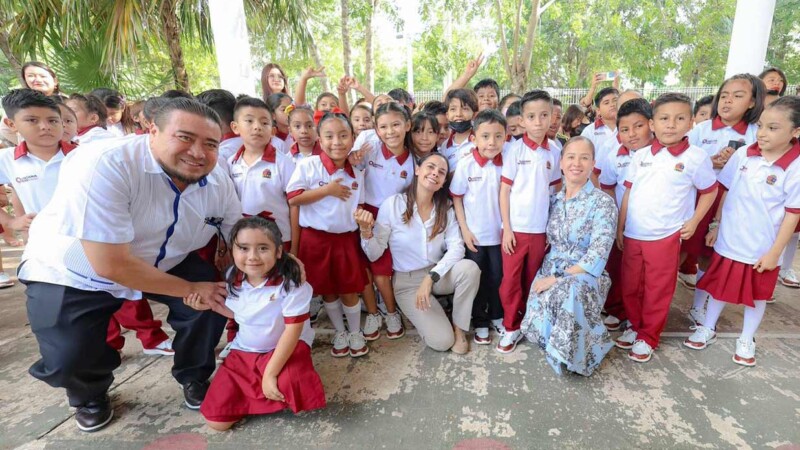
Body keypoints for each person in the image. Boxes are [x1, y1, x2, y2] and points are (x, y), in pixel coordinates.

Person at [20, 98, 243, 432]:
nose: (198, 152)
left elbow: (238, 232)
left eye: (211, 144)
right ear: (151, 130)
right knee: (68, 357)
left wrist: (274, 265)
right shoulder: (106, 163)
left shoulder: (217, 179)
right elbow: (111, 264)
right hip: (77, 270)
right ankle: (89, 394)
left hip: (167, 259)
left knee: (211, 301)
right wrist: (190, 288)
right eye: (185, 137)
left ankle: (194, 375)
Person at [684, 96, 800, 366]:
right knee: (718, 288)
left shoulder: (795, 167)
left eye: (773, 128)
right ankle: (707, 327)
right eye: (761, 126)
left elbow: (792, 215)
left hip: (762, 246)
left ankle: (747, 338)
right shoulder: (744, 154)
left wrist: (775, 253)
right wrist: (716, 224)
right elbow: (724, 189)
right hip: (729, 239)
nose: (762, 133)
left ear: (795, 132)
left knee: (757, 296)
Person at [185, 217, 325, 431]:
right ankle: (254, 395)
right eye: (243, 248)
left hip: (282, 348)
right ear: (232, 250)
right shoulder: (233, 276)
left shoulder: (291, 283)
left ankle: (260, 390)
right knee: (217, 422)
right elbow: (240, 314)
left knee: (290, 383)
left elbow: (292, 330)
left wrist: (270, 374)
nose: (252, 257)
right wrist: (210, 306)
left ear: (279, 251)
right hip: (245, 350)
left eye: (263, 248)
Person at [615, 93, 718, 363]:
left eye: (679, 118)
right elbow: (628, 193)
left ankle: (648, 336)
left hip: (665, 235)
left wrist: (694, 221)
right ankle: (634, 326)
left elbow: (710, 191)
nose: (671, 124)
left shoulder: (696, 157)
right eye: (664, 118)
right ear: (653, 123)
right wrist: (620, 227)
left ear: (691, 122)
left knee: (657, 289)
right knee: (631, 286)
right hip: (634, 233)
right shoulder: (641, 156)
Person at [357, 153, 479, 354]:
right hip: (408, 283)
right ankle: (430, 316)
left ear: (443, 182)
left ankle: (459, 328)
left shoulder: (445, 208)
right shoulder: (393, 204)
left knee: (469, 268)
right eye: (430, 167)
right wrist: (366, 232)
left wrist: (431, 277)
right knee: (442, 342)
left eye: (441, 172)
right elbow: (374, 254)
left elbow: (457, 247)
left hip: (437, 274)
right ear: (417, 170)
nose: (435, 173)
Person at [521, 136, 617, 375]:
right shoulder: (552, 200)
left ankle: (577, 356)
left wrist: (557, 279)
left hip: (585, 274)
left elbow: (598, 254)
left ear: (593, 163)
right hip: (550, 268)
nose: (577, 163)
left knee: (571, 290)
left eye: (584, 158)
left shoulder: (602, 203)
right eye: (571, 157)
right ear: (561, 163)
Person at [286, 111, 370, 358]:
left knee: (348, 289)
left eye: (343, 135)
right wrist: (327, 190)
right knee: (327, 290)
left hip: (346, 240)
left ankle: (354, 332)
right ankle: (339, 331)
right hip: (316, 240)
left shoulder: (357, 173)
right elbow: (293, 198)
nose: (337, 142)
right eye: (329, 136)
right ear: (319, 140)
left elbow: (360, 204)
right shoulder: (308, 165)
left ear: (352, 138)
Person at [684, 74, 764, 326]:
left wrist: (733, 165)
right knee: (683, 248)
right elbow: (683, 160)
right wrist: (710, 162)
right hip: (697, 197)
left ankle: (698, 306)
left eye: (738, 96)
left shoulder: (756, 134)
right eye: (725, 95)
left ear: (752, 102)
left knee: (710, 254)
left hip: (730, 202)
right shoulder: (701, 130)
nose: (728, 101)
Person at [498, 90, 562, 354]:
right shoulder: (514, 150)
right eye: (532, 116)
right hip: (515, 230)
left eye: (544, 115)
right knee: (510, 281)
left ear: (552, 118)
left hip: (540, 231)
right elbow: (504, 191)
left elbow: (555, 192)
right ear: (522, 120)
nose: (538, 122)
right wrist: (507, 229)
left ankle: (530, 322)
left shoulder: (555, 152)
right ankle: (510, 326)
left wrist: (551, 229)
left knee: (534, 279)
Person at [0, 90, 74, 288]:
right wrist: (11, 221)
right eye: (32, 120)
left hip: (89, 245)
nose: (45, 126)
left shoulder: (83, 154)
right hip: (44, 252)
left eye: (53, 120)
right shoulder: (8, 160)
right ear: (11, 124)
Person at [356, 102, 413, 341]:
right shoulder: (370, 149)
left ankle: (391, 312)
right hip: (365, 214)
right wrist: (353, 159)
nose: (390, 131)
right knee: (364, 269)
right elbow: (352, 168)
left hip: (394, 218)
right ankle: (372, 313)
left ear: (407, 125)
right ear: (376, 129)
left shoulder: (414, 160)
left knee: (382, 268)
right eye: (383, 127)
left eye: (396, 124)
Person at [598, 98, 654, 331]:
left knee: (645, 276)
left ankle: (640, 320)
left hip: (652, 227)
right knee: (620, 270)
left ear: (651, 124)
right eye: (624, 129)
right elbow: (608, 186)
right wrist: (615, 220)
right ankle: (618, 310)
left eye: (638, 126)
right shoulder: (615, 156)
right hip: (623, 224)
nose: (631, 134)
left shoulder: (661, 155)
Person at [451, 110, 506, 344]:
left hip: (500, 236)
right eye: (485, 136)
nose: (491, 142)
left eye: (498, 136)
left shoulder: (507, 163)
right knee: (477, 280)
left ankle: (497, 315)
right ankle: (480, 321)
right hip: (474, 237)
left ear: (505, 138)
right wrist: (464, 230)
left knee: (498, 277)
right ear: (474, 138)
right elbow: (457, 198)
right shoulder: (466, 165)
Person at [226, 97, 298, 255]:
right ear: (235, 127)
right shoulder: (231, 163)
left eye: (264, 123)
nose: (257, 127)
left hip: (279, 238)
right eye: (249, 121)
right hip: (244, 239)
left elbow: (295, 204)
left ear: (272, 131)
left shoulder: (283, 163)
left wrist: (294, 245)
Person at [442, 89, 478, 171]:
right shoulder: (445, 146)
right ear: (447, 115)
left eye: (465, 109)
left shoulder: (480, 141)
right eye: (453, 109)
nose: (458, 114)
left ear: (474, 114)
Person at [580, 87, 619, 153]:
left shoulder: (630, 127)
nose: (612, 104)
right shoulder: (589, 131)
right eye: (606, 103)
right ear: (598, 110)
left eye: (615, 100)